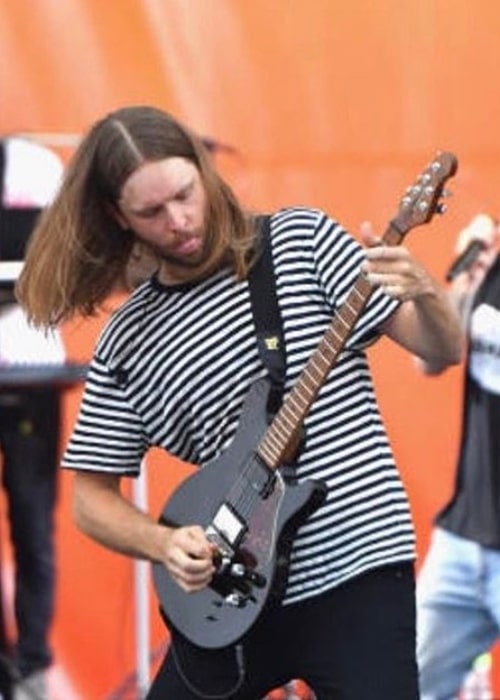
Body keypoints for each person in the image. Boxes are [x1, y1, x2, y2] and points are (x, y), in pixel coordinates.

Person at [15, 105, 463, 700]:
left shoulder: (302, 241)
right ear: (115, 216)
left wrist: (427, 291)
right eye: (152, 211)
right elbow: (90, 499)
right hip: (231, 594)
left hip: (358, 567)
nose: (179, 221)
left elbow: (444, 347)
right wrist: (165, 543)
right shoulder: (128, 339)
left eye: (184, 193)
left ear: (203, 171)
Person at [416, 213, 500, 700]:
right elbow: (430, 360)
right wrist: (463, 284)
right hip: (465, 538)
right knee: (404, 685)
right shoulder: (488, 260)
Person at [0, 136, 65, 700]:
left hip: (30, 369)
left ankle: (32, 664)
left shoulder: (36, 165)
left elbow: (57, 256)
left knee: (33, 523)